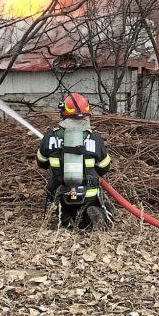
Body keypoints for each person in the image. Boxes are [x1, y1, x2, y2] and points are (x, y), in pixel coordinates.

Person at [36, 92, 112, 229]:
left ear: (63, 112)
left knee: (64, 209)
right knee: (92, 203)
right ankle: (90, 215)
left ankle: (67, 218)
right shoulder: (94, 138)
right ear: (86, 114)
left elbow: (41, 163)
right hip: (89, 194)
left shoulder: (50, 137)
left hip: (62, 194)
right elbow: (104, 167)